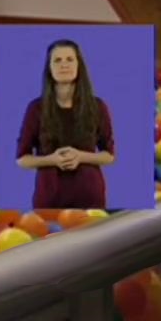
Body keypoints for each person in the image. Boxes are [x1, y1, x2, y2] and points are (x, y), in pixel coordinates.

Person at [16, 39, 116, 209]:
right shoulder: (36, 109)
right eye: (57, 60)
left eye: (70, 59)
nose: (64, 65)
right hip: (49, 198)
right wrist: (52, 160)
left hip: (90, 197)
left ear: (79, 65)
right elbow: (22, 159)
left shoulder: (97, 106)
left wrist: (81, 156)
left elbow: (109, 155)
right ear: (49, 68)